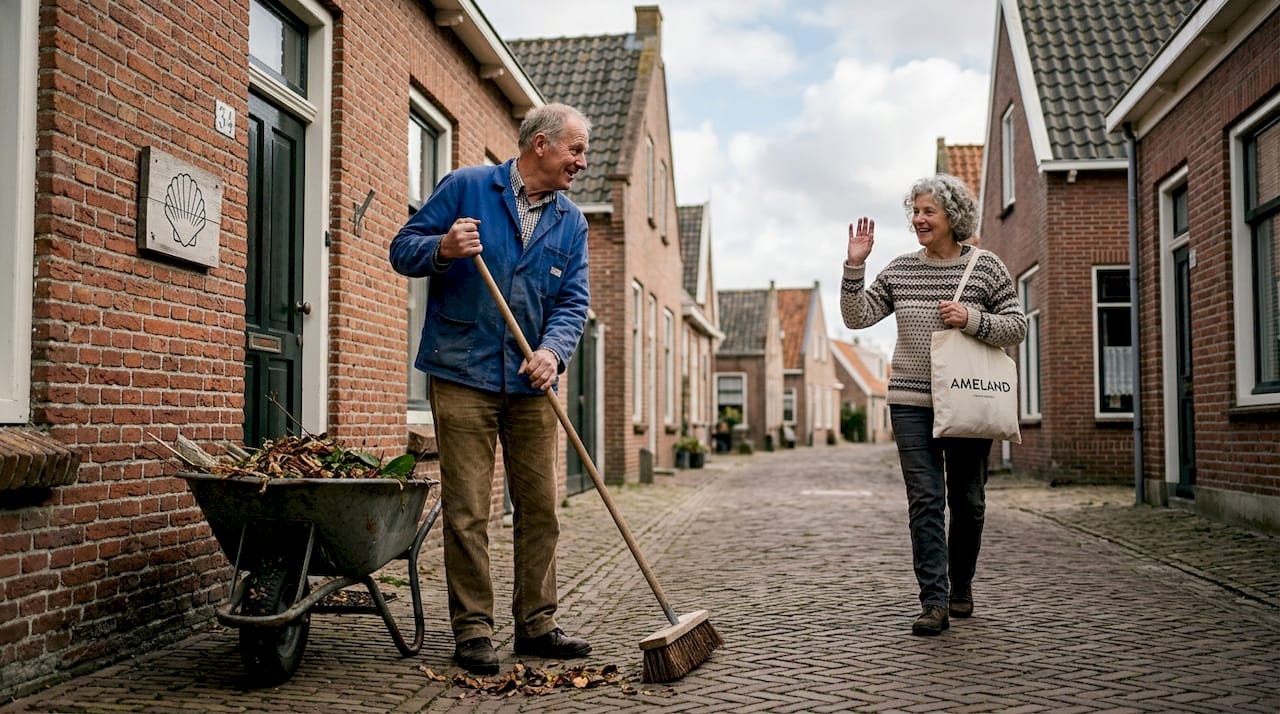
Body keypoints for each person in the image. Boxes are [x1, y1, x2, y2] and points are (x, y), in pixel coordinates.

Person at [390, 103, 593, 674]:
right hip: (462, 374)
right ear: (541, 146)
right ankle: (474, 630)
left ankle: (536, 624)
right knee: (467, 510)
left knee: (541, 509)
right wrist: (442, 249)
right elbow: (402, 247)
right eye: (575, 150)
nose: (582, 162)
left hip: (533, 385)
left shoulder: (571, 223)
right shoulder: (466, 187)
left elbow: (574, 301)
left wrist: (553, 353)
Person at [839, 174, 1026, 636]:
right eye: (915, 212)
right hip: (910, 402)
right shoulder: (901, 270)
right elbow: (856, 316)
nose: (918, 220)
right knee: (926, 500)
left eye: (928, 212)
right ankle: (934, 601)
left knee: (968, 502)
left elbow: (1017, 326)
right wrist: (854, 266)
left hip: (966, 397)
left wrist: (972, 318)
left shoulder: (986, 268)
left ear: (952, 218)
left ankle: (961, 585)